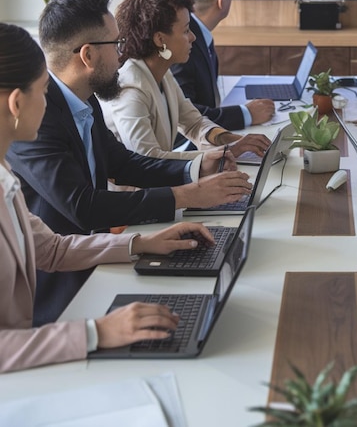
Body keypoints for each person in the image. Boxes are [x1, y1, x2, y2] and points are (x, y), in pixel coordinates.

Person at [7, 0, 253, 324]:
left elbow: (122, 163)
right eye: (116, 44)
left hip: (97, 260)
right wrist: (185, 195)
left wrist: (195, 168)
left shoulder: (85, 98)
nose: (122, 54)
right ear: (88, 55)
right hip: (61, 294)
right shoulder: (38, 119)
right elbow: (82, 206)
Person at [0, 22, 219, 373]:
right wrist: (96, 332)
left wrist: (142, 244)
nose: (48, 100)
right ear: (16, 103)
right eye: (43, 91)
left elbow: (51, 249)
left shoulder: (3, 178)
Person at [100, 0, 272, 163]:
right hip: (139, 189)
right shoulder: (130, 90)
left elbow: (195, 123)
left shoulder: (161, 72)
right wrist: (223, 154)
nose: (193, 37)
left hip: (162, 183)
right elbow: (149, 160)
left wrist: (234, 141)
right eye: (186, 31)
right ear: (160, 39)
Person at [171, 0, 274, 130]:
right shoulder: (184, 42)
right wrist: (246, 114)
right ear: (222, 0)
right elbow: (185, 114)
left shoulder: (198, 32)